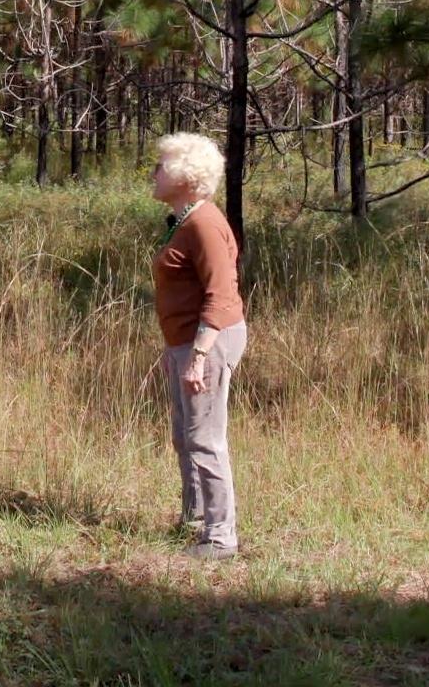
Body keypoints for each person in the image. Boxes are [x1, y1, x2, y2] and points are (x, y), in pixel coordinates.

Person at [149, 132, 248, 561]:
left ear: (186, 175)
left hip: (205, 340)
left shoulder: (204, 222)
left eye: (162, 164)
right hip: (185, 341)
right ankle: (195, 519)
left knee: (205, 439)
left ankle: (220, 537)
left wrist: (200, 353)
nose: (154, 172)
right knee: (184, 436)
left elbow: (222, 291)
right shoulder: (186, 220)